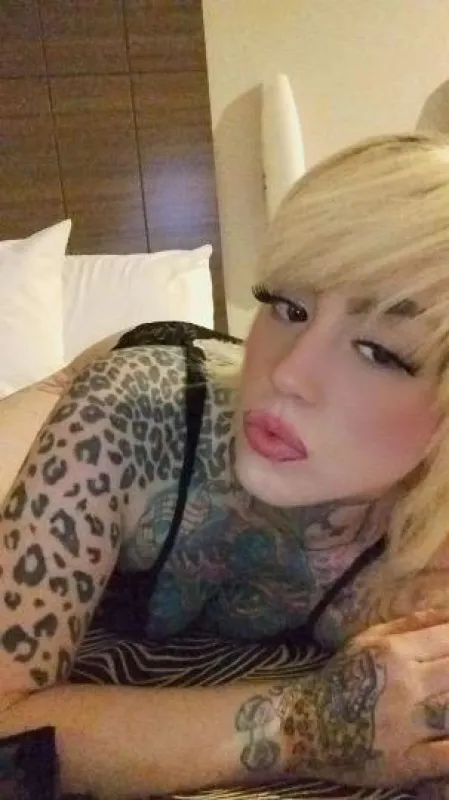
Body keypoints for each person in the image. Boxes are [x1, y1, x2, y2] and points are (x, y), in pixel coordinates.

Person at [1, 132, 449, 798]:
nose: (288, 373)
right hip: (131, 382)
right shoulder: (124, 418)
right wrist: (301, 723)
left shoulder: (429, 544)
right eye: (287, 306)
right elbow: (9, 741)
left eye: (380, 352)